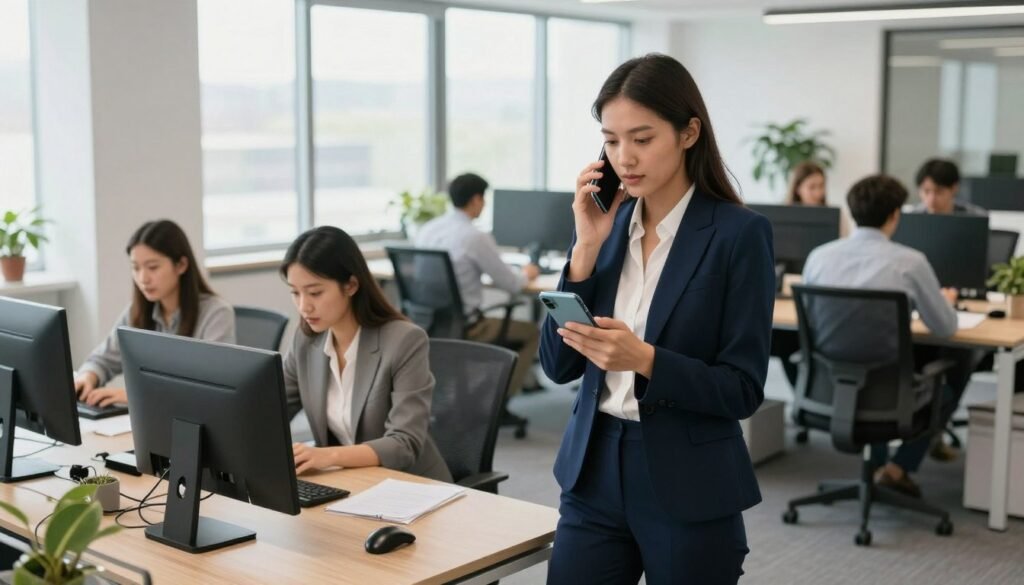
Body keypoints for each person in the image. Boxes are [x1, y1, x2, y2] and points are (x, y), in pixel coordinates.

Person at [539, 54, 774, 585]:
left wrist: (644, 360)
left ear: (689, 132)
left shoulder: (738, 235)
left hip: (686, 479)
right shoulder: (605, 226)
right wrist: (584, 249)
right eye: (612, 140)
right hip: (593, 468)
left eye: (642, 139)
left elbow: (741, 389)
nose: (625, 157)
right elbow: (556, 367)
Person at [802, 174, 974, 497]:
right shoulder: (910, 263)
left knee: (877, 367)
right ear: (895, 214)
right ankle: (898, 468)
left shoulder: (819, 257)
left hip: (831, 389)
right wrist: (946, 301)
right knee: (957, 364)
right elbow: (946, 329)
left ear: (852, 212)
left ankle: (879, 467)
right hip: (888, 394)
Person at [281, 226, 451, 482]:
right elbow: (271, 409)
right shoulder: (306, 340)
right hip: (349, 483)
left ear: (350, 285)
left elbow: (404, 443)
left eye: (315, 292)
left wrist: (328, 456)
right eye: (295, 292)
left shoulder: (404, 340)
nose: (304, 306)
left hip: (410, 487)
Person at [415, 172, 541, 426]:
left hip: (431, 323)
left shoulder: (427, 230)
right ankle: (497, 406)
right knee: (530, 333)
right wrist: (528, 271)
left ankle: (482, 396)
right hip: (468, 326)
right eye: (483, 200)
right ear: (475, 200)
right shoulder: (475, 237)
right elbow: (512, 284)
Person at [75, 220, 235, 407]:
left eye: (153, 267)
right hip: (149, 422)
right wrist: (87, 377)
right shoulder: (138, 311)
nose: (143, 278)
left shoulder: (216, 314)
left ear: (181, 265)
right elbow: (103, 359)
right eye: (136, 268)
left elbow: (211, 388)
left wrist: (135, 395)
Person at [909, 158, 986, 216]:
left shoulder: (975, 216)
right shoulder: (912, 217)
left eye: (939, 192)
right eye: (926, 191)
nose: (932, 199)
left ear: (954, 188)